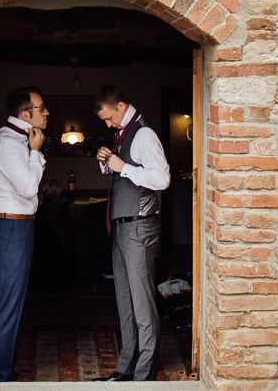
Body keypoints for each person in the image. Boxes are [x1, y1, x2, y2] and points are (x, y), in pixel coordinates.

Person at [93, 85, 170, 382]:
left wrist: (122, 166)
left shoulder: (144, 134)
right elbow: (124, 170)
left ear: (121, 106)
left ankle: (144, 375)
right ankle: (126, 369)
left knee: (142, 303)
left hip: (139, 226)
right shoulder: (122, 133)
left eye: (109, 118)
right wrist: (106, 161)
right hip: (123, 227)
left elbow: (162, 179)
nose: (107, 124)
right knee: (125, 302)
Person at [0, 86, 48, 382]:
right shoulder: (8, 143)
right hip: (9, 227)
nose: (47, 113)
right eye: (41, 108)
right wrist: (35, 153)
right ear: (25, 114)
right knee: (7, 302)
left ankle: (4, 371)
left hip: (18, 225)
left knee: (14, 301)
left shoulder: (19, 139)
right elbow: (28, 188)